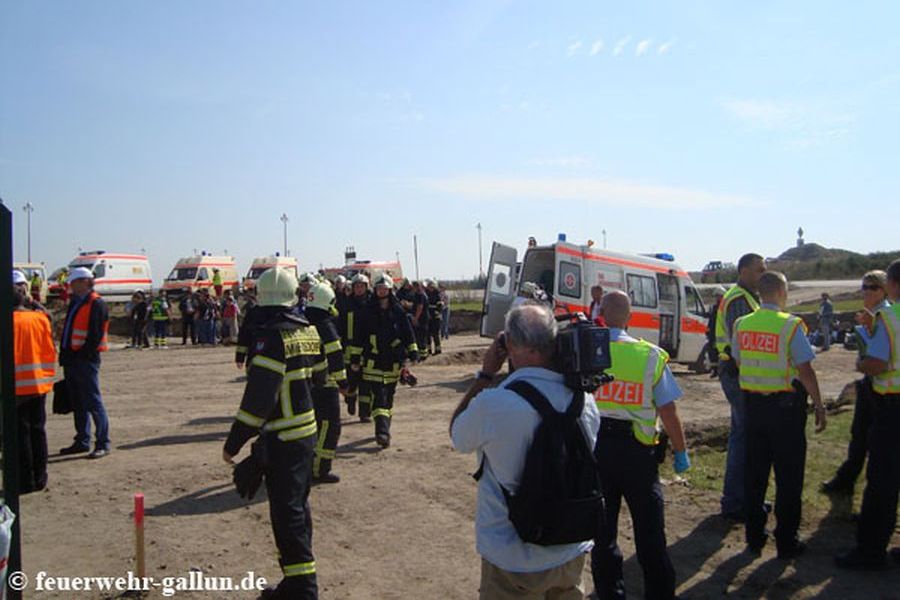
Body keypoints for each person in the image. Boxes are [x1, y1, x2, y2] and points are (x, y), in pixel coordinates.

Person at [450, 303, 600, 599]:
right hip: (571, 550)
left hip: (512, 556)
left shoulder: (494, 404)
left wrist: (485, 374)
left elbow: (458, 435)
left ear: (511, 345)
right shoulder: (584, 401)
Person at [222, 267, 321, 598]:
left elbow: (257, 402)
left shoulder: (271, 338)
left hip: (284, 438)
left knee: (286, 514)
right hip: (306, 432)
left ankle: (303, 589)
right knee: (298, 508)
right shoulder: (308, 331)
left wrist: (234, 443)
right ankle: (296, 582)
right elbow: (320, 379)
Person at [591, 290, 690, 600]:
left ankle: (610, 594)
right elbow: (668, 412)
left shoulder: (586, 353)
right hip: (638, 456)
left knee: (602, 536)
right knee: (650, 536)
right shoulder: (650, 356)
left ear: (601, 314)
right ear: (631, 318)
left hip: (597, 454)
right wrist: (681, 451)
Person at [732, 271, 827, 559]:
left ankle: (754, 537)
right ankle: (786, 541)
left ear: (761, 293)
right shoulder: (790, 325)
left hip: (753, 407)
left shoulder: (742, 324)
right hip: (784, 409)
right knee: (788, 477)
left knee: (755, 475)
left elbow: (738, 359)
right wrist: (819, 404)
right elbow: (805, 370)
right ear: (782, 292)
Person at [835, 259, 900, 570]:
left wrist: (861, 364)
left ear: (891, 285)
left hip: (892, 406)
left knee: (882, 482)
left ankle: (870, 551)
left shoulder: (889, 317)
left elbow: (876, 363)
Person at [822, 271, 890, 495]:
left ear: (885, 290)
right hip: (872, 383)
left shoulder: (885, 316)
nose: (867, 291)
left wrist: (862, 362)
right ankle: (847, 478)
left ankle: (856, 484)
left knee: (876, 443)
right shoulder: (872, 314)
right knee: (858, 433)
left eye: (873, 287)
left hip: (885, 386)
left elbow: (880, 356)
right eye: (864, 287)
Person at [715, 253, 766, 521]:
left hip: (740, 372)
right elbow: (741, 343)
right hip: (737, 373)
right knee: (743, 437)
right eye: (759, 270)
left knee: (744, 435)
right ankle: (735, 501)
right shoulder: (739, 299)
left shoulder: (747, 297)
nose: (763, 275)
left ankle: (744, 497)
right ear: (744, 271)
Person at [354, 274, 418, 448]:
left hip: (392, 363)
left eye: (384, 288)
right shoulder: (368, 310)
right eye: (379, 288)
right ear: (375, 290)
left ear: (390, 290)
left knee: (388, 399)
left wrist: (412, 352)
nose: (381, 291)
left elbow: (407, 332)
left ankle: (385, 430)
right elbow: (359, 336)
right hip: (372, 362)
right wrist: (355, 358)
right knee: (379, 398)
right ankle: (381, 432)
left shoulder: (398, 310)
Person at [58, 267, 111, 459]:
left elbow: (95, 335)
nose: (71, 286)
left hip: (86, 360)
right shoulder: (76, 303)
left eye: (73, 282)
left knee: (93, 401)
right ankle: (82, 440)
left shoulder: (96, 304)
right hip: (72, 359)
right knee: (78, 402)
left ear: (84, 282)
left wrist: (81, 355)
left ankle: (103, 442)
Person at [12, 274, 56, 493]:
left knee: (22, 435)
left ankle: (26, 481)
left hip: (16, 389)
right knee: (38, 432)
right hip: (39, 384)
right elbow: (49, 350)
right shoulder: (39, 318)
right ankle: (40, 478)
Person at [305, 282, 349, 484]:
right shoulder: (325, 324)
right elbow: (335, 354)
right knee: (328, 428)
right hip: (325, 387)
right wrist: (343, 382)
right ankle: (319, 470)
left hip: (304, 385)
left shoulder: (301, 320)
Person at [342, 274, 370, 418]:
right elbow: (340, 324)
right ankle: (351, 399)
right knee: (351, 381)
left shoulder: (372, 303)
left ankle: (365, 413)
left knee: (366, 382)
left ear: (366, 287)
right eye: (357, 286)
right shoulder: (346, 304)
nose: (359, 289)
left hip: (367, 348)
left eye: (362, 286)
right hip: (349, 347)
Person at [706, 286, 726, 372]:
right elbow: (711, 320)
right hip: (713, 333)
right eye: (716, 296)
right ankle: (714, 369)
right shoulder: (715, 307)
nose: (717, 298)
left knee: (720, 352)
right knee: (712, 351)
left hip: (721, 333)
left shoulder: (724, 307)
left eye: (719, 296)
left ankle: (719, 370)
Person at [411, 280, 430, 357]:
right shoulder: (419, 294)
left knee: (421, 337)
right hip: (422, 317)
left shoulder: (420, 295)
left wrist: (416, 318)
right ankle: (423, 353)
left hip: (422, 319)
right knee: (420, 336)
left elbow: (420, 307)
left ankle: (423, 355)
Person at [425, 279, 444, 355]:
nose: (430, 288)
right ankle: (429, 350)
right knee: (428, 334)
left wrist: (437, 311)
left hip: (435, 317)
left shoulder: (437, 295)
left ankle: (438, 349)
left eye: (431, 286)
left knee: (435, 334)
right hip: (428, 317)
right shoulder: (426, 294)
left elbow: (440, 306)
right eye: (429, 286)